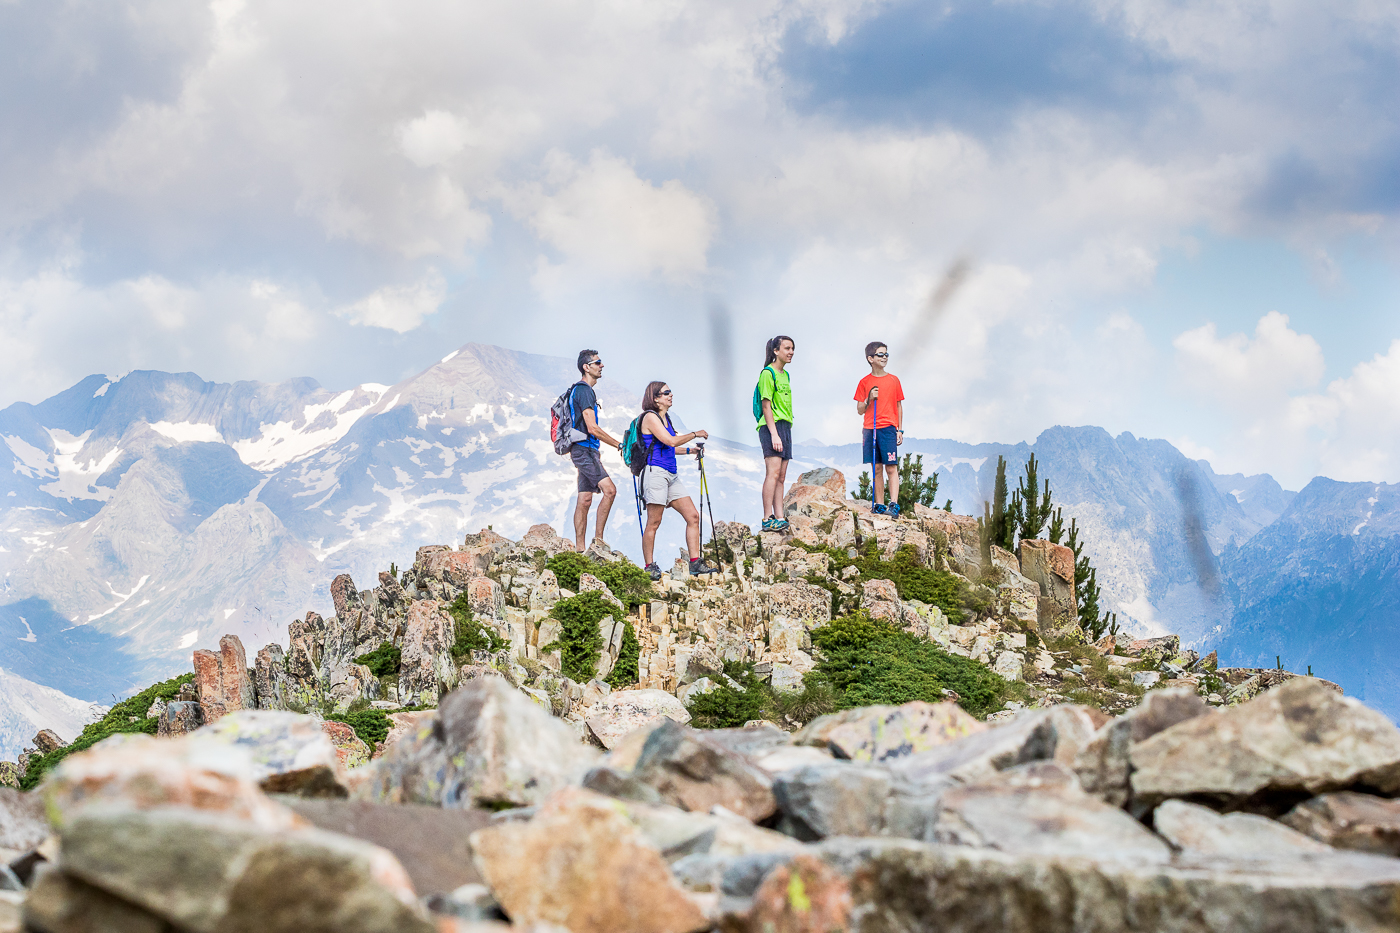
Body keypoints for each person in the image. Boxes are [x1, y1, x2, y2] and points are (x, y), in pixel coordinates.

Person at [636, 381, 718, 580]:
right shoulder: (650, 417)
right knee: (654, 522)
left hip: (671, 474)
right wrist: (695, 434)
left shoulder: (666, 418)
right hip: (655, 473)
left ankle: (695, 562)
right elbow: (670, 441)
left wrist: (690, 450)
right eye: (666, 393)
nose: (670, 395)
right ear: (655, 398)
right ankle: (649, 565)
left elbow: (669, 447)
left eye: (670, 392)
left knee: (693, 516)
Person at [568, 349, 623, 552]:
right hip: (585, 451)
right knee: (610, 491)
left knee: (585, 499)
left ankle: (580, 550)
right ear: (586, 367)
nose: (602, 366)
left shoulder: (580, 390)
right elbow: (592, 428)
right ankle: (598, 543)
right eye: (597, 363)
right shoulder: (584, 391)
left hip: (584, 450)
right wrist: (618, 444)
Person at [854, 340, 905, 516]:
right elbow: (860, 410)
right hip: (870, 429)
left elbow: (899, 406)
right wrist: (869, 399)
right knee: (876, 468)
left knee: (891, 467)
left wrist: (899, 429)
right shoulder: (864, 382)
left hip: (888, 428)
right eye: (880, 354)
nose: (884, 358)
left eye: (886, 354)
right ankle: (880, 505)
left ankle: (893, 504)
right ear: (870, 358)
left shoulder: (893, 380)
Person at [756, 335, 795, 532]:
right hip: (772, 427)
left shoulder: (785, 375)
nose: (791, 352)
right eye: (787, 348)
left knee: (781, 475)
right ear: (776, 351)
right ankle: (767, 517)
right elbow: (766, 405)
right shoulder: (767, 373)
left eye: (792, 349)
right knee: (772, 473)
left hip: (785, 426)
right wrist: (774, 434)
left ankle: (780, 516)